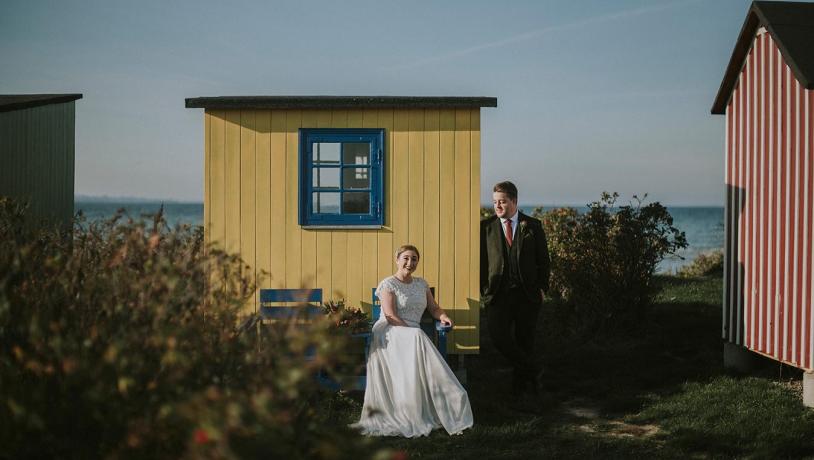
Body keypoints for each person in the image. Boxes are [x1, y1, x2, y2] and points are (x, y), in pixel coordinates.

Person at [352, 245, 474, 437]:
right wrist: (412, 332)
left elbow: (433, 308)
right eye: (406, 258)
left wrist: (443, 316)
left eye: (414, 259)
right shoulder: (388, 284)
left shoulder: (421, 284)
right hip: (390, 331)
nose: (410, 263)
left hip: (412, 334)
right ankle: (411, 412)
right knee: (417, 336)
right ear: (397, 259)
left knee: (417, 337)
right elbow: (391, 316)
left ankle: (451, 401)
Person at [480, 181, 550, 394]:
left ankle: (521, 389)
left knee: (524, 340)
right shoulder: (485, 227)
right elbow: (481, 262)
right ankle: (534, 370)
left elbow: (544, 260)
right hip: (497, 295)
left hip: (527, 294)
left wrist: (542, 288)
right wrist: (484, 291)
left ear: (514, 201)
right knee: (498, 336)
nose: (498, 206)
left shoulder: (533, 226)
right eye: (495, 202)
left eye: (502, 201)